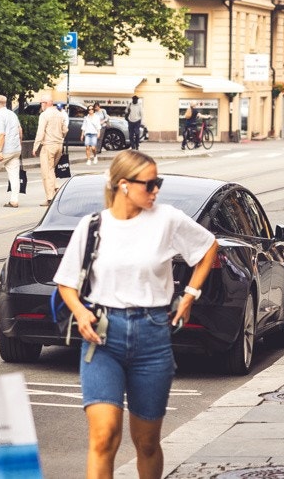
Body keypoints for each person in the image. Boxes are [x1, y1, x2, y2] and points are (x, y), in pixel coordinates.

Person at [55, 152, 220, 479]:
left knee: (146, 442)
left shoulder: (167, 219)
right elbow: (66, 283)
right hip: (103, 338)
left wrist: (190, 295)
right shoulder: (93, 226)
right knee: (104, 437)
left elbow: (207, 247)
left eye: (158, 183)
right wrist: (79, 313)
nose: (156, 190)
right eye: (150, 184)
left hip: (153, 337)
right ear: (124, 185)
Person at [33, 99, 68, 206]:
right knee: (51, 169)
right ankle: (55, 187)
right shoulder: (60, 113)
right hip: (58, 146)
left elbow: (40, 131)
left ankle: (50, 198)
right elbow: (65, 130)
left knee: (46, 172)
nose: (41, 105)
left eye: (41, 103)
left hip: (48, 145)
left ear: (45, 103)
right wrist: (61, 138)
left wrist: (35, 146)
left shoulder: (44, 115)